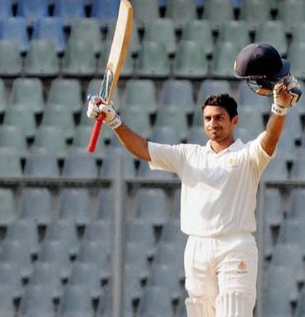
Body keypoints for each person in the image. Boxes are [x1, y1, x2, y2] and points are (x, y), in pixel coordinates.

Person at [86, 42, 301, 316]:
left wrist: (279, 110)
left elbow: (269, 141)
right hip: (197, 246)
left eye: (220, 118)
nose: (213, 123)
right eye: (208, 119)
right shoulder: (188, 155)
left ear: (234, 121)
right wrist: (112, 119)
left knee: (234, 310)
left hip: (235, 246)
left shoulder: (248, 156)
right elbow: (142, 148)